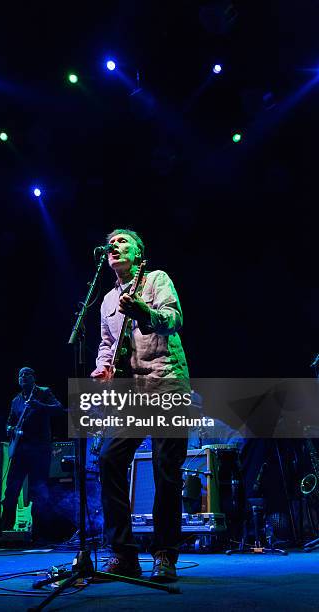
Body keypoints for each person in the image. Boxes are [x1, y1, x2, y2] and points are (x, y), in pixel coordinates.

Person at [90, 228, 190, 582]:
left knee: (166, 467)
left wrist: (143, 310)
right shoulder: (104, 301)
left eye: (122, 241)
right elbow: (107, 342)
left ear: (138, 252)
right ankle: (124, 554)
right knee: (108, 459)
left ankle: (164, 553)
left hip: (166, 381)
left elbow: (173, 319)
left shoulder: (157, 279)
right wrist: (103, 367)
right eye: (110, 242)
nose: (113, 246)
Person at [1, 367, 63, 541]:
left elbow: (59, 408)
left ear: (34, 377)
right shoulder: (16, 401)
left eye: (26, 374)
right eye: (20, 375)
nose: (23, 377)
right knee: (11, 490)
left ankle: (39, 534)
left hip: (39, 450)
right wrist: (11, 428)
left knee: (39, 491)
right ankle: (6, 532)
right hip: (21, 451)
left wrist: (40, 406)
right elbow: (8, 424)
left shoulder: (43, 393)